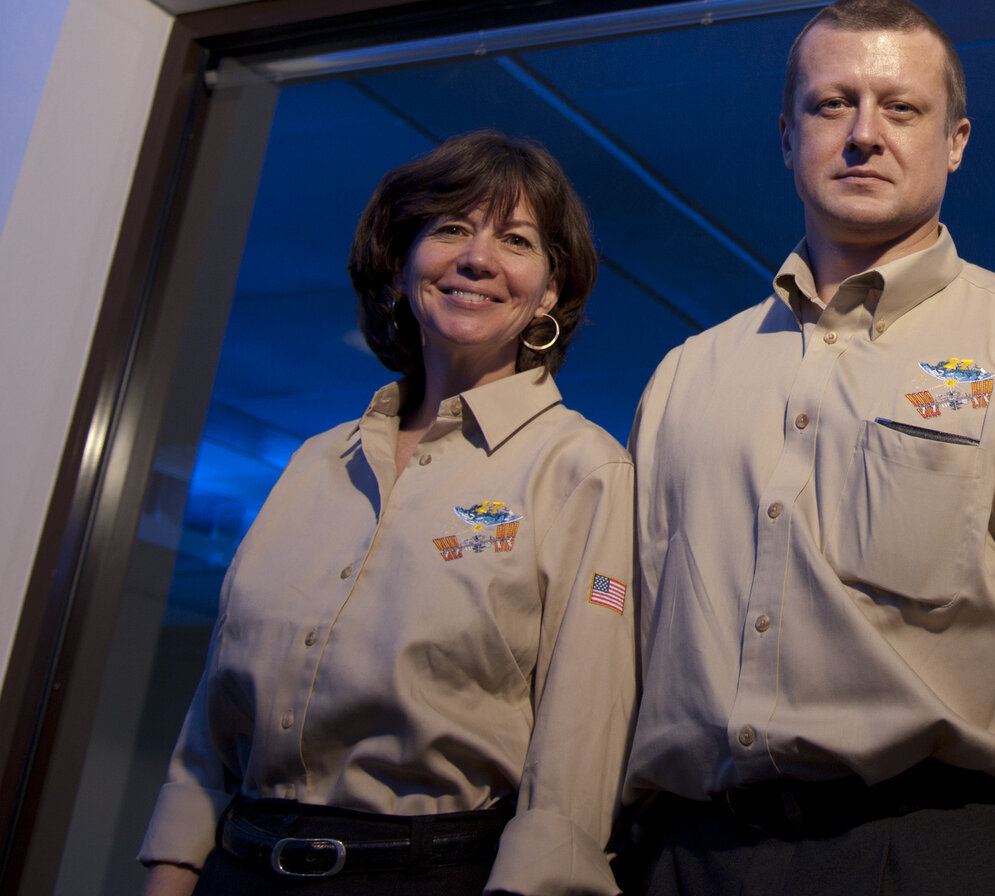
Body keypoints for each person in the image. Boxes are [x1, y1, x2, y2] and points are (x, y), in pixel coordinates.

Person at [616, 0, 995, 895]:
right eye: (831, 104)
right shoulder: (685, 378)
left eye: (901, 107)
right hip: (687, 860)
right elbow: (627, 664)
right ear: (786, 135)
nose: (863, 134)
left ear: (955, 141)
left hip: (928, 854)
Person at [139, 131, 635, 896]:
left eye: (515, 239)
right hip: (238, 868)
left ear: (548, 292)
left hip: (431, 875)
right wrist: (172, 870)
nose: (477, 258)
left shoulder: (582, 470)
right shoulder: (314, 463)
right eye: (449, 229)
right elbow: (215, 713)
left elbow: (581, 739)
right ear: (400, 268)